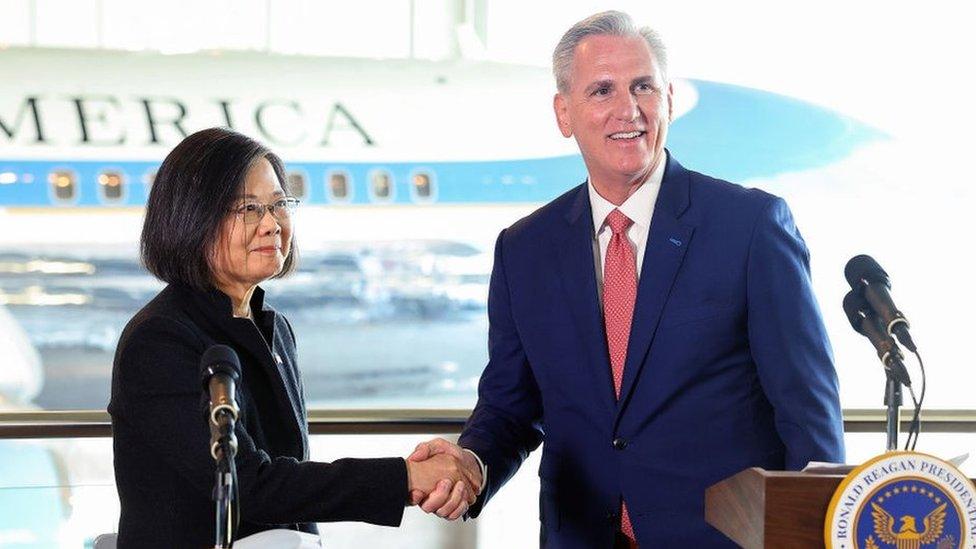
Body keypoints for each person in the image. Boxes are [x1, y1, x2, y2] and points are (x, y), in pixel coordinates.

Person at [408, 10, 845, 547]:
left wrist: (814, 530)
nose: (628, 109)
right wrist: (472, 461)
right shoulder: (524, 248)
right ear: (564, 113)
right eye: (602, 91)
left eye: (644, 87)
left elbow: (807, 406)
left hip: (724, 536)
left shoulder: (750, 226)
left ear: (668, 101)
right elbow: (510, 404)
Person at [108, 127, 478, 547]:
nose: (271, 224)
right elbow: (250, 487)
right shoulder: (160, 339)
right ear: (192, 218)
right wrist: (405, 476)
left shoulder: (273, 327)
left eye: (279, 204)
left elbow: (289, 479)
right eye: (248, 209)